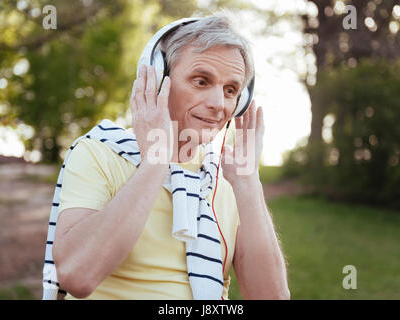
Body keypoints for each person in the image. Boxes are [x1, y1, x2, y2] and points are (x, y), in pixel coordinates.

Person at [45, 13, 290, 300]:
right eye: (201, 81)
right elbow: (76, 274)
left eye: (231, 90)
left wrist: (249, 183)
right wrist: (156, 161)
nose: (218, 104)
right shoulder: (99, 152)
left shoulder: (229, 184)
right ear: (158, 79)